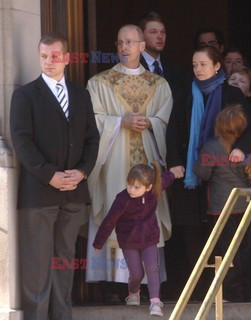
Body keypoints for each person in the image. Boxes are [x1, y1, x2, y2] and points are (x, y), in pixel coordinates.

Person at [10, 32, 99, 320]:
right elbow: (22, 142)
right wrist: (50, 175)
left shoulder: (81, 94)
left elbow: (92, 140)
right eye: (44, 56)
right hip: (39, 194)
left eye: (55, 56)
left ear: (67, 58)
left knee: (64, 262)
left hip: (74, 193)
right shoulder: (24, 95)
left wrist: (82, 172)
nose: (49, 61)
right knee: (37, 264)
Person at [86, 24, 173, 292]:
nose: (125, 47)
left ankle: (145, 286)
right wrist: (119, 121)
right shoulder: (99, 83)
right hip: (114, 161)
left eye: (131, 42)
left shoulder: (159, 84)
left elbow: (165, 121)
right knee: (116, 209)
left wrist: (151, 123)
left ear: (142, 46)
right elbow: (92, 122)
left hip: (146, 161)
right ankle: (112, 286)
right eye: (120, 43)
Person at [165, 45, 251, 297]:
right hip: (191, 174)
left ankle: (230, 289)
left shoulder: (232, 93)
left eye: (203, 64)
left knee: (226, 234)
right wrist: (173, 162)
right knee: (192, 232)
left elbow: (249, 125)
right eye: (194, 65)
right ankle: (200, 289)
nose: (198, 69)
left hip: (224, 175)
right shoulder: (184, 94)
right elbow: (172, 132)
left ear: (217, 66)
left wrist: (241, 149)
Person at [93, 163, 175, 316]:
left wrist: (174, 173)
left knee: (153, 268)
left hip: (149, 238)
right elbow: (110, 221)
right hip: (129, 240)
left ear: (148, 187)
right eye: (130, 185)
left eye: (136, 187)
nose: (131, 190)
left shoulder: (154, 191)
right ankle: (133, 292)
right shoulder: (122, 199)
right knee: (136, 273)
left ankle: (155, 302)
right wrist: (99, 242)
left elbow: (165, 179)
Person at [194, 105, 251, 302]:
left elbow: (202, 173)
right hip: (246, 206)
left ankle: (231, 293)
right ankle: (250, 292)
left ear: (219, 126)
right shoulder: (246, 149)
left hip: (222, 208)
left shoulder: (212, 147)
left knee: (227, 252)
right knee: (245, 250)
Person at [138, 11, 187, 100]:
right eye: (154, 32)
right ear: (141, 36)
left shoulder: (175, 70)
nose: (160, 36)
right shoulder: (131, 68)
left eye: (163, 32)